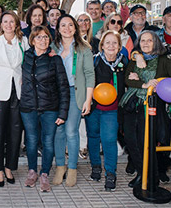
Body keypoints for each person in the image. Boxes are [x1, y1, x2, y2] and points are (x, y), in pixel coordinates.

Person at [20, 25, 70, 192]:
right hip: (29, 107)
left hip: (50, 108)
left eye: (46, 37)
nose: (43, 40)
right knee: (31, 141)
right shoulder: (25, 56)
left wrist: (63, 112)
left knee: (48, 142)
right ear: (32, 40)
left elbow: (63, 87)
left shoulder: (55, 59)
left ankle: (45, 173)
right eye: (39, 37)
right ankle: (32, 171)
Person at [119, 30, 170, 188]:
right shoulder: (135, 59)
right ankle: (142, 172)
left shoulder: (164, 60)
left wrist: (158, 83)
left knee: (145, 142)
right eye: (143, 41)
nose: (146, 43)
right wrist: (144, 83)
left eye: (150, 40)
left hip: (152, 106)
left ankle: (151, 177)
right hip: (131, 104)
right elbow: (128, 78)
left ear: (156, 42)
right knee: (130, 141)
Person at [0, 10, 29, 187]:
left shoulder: (23, 41)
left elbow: (27, 63)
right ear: (1, 24)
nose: (8, 25)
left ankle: (10, 166)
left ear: (16, 24)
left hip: (18, 92)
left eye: (12, 21)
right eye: (5, 21)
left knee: (15, 132)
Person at [51, 14, 95, 187]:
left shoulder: (84, 48)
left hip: (76, 93)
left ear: (75, 28)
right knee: (59, 131)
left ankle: (72, 168)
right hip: (57, 94)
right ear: (58, 28)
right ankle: (60, 166)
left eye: (70, 25)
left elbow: (90, 75)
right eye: (63, 25)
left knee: (71, 131)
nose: (67, 28)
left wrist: (88, 99)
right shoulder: (53, 47)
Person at [86, 30, 128, 191]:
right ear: (102, 45)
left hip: (112, 109)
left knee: (109, 139)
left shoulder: (124, 61)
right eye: (107, 42)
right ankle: (95, 166)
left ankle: (110, 173)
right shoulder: (95, 60)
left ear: (119, 46)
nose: (111, 45)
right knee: (93, 136)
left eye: (114, 43)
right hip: (95, 108)